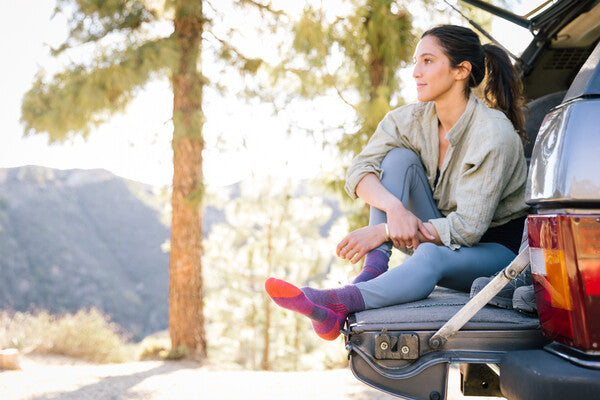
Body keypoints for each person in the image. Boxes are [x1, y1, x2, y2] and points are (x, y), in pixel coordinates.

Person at [265, 24, 530, 341]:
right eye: (416, 61)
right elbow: (360, 169)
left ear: (461, 71)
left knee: (431, 256)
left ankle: (339, 300)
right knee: (397, 159)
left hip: (496, 252)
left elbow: (467, 229)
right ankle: (373, 269)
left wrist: (384, 230)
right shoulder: (411, 119)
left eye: (428, 61)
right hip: (432, 230)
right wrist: (393, 208)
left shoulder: (493, 134)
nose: (416, 72)